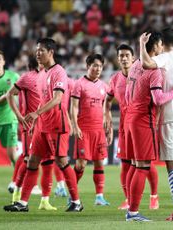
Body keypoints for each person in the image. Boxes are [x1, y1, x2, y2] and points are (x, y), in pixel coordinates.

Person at [3, 38, 82, 212]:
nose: (37, 53)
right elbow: (43, 101)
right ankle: (23, 203)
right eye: (36, 50)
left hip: (57, 124)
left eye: (41, 51)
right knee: (32, 161)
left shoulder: (58, 72)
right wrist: (35, 120)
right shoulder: (41, 74)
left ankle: (76, 202)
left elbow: (57, 99)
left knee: (61, 161)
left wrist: (36, 113)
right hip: (42, 125)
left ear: (51, 52)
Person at [125, 31, 173, 221]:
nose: (162, 49)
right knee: (143, 166)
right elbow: (159, 99)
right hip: (144, 120)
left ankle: (131, 207)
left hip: (130, 117)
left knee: (135, 165)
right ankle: (133, 212)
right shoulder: (156, 71)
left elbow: (128, 94)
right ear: (156, 46)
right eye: (160, 45)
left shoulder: (135, 65)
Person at [104, 44, 159, 210]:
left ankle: (153, 196)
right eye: (120, 55)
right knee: (127, 163)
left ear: (133, 58)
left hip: (141, 121)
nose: (124, 58)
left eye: (127, 55)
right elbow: (106, 99)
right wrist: (106, 116)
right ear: (117, 59)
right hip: (125, 125)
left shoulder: (140, 74)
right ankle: (129, 200)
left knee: (144, 163)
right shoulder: (114, 79)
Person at [6, 56, 56, 210]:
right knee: (28, 159)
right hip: (30, 126)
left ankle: (45, 200)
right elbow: (9, 94)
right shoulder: (27, 77)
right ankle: (17, 194)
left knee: (48, 162)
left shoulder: (48, 77)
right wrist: (19, 117)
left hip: (45, 125)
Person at [71, 53, 110, 206]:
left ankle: (99, 197)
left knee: (100, 163)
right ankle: (72, 193)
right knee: (81, 164)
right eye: (95, 65)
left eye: (100, 66)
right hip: (84, 129)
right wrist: (75, 125)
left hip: (98, 130)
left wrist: (107, 122)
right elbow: (73, 108)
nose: (97, 69)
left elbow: (107, 105)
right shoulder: (79, 84)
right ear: (88, 66)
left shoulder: (103, 86)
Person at [0, 48, 19, 203]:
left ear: (4, 62)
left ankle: (20, 184)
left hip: (9, 120)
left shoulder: (12, 76)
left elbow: (15, 94)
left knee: (12, 155)